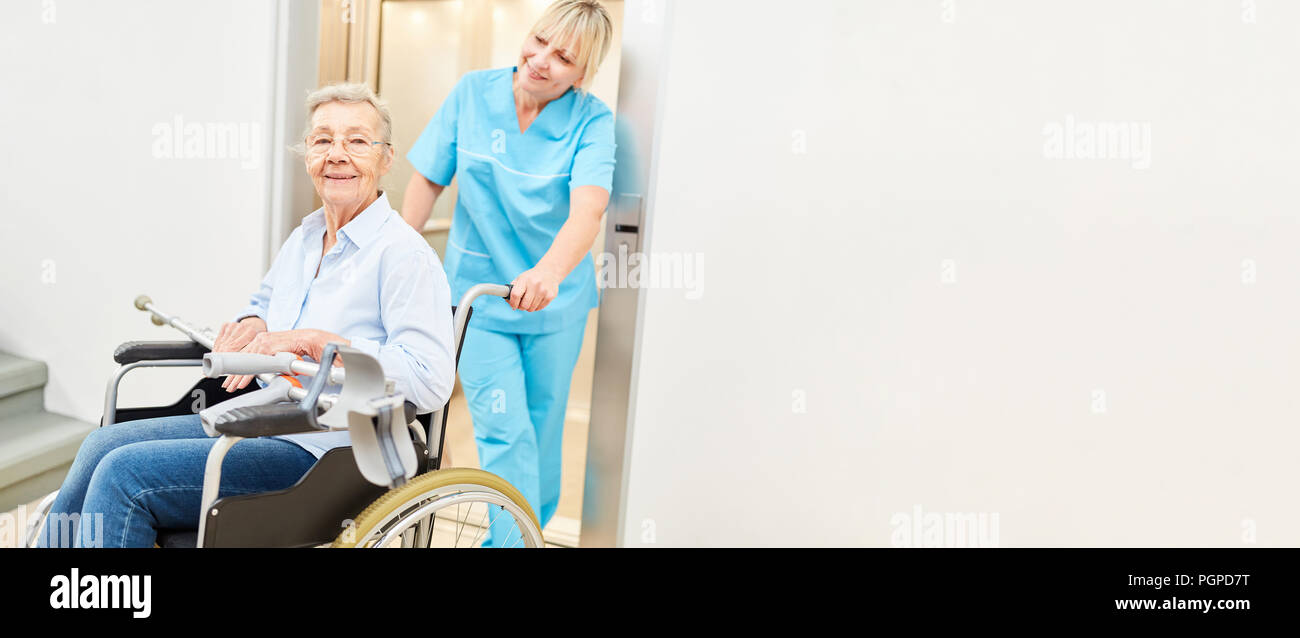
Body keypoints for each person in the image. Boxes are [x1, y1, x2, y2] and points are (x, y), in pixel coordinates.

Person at [37, 83, 454, 548]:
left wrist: (318, 342)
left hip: (332, 449)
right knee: (101, 444)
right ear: (307, 155)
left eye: (357, 141)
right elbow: (261, 306)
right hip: (262, 418)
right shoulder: (305, 237)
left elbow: (431, 379)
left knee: (123, 475)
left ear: (386, 158)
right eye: (322, 140)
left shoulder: (403, 255)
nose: (337, 154)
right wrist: (252, 326)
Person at [400, 0, 615, 546]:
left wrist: (548, 271)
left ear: (582, 73)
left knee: (542, 437)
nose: (541, 60)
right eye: (539, 40)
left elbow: (587, 210)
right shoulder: (473, 93)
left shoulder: (592, 122)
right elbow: (427, 180)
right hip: (482, 298)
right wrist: (401, 256)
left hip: (554, 301)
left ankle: (526, 534)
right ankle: (510, 544)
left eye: (563, 56)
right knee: (505, 432)